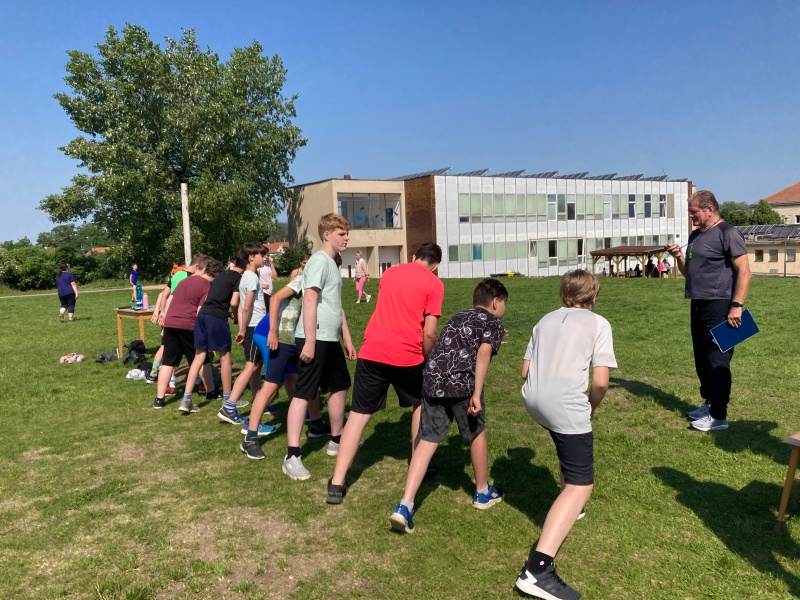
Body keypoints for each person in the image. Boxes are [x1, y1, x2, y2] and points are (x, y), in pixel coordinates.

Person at [514, 269, 616, 600]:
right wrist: (590, 408)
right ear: (594, 295)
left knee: (564, 441)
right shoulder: (599, 324)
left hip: (533, 400)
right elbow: (600, 383)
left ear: (564, 294)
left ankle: (571, 504)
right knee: (580, 485)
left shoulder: (544, 320)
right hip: (564, 404)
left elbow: (524, 370)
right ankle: (537, 571)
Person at [326, 243, 444, 504]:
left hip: (373, 351)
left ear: (413, 256)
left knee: (358, 415)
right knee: (419, 405)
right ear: (435, 265)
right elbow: (430, 332)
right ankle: (420, 464)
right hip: (408, 355)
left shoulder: (390, 273)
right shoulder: (435, 284)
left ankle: (337, 482)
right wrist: (428, 358)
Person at [389, 278, 508, 534]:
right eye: (504, 304)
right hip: (462, 384)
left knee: (428, 439)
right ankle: (482, 492)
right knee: (476, 432)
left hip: (432, 380)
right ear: (496, 302)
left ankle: (405, 505)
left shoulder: (458, 316)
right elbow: (483, 353)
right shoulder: (493, 322)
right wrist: (477, 393)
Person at [667, 190, 751, 432]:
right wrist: (679, 257)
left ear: (709, 210)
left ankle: (718, 416)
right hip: (698, 303)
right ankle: (709, 403)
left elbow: (745, 272)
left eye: (694, 212)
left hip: (721, 304)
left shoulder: (728, 233)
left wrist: (736, 306)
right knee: (702, 359)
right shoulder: (695, 235)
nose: (691, 216)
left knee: (717, 359)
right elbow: (689, 272)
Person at [282, 213, 357, 481]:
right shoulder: (318, 261)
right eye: (341, 234)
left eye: (347, 234)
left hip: (329, 338)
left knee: (340, 385)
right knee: (304, 392)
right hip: (314, 338)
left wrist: (347, 339)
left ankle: (336, 439)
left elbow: (336, 306)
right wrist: (311, 341)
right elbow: (310, 299)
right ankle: (292, 456)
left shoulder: (332, 264)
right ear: (326, 234)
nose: (346, 238)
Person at [240, 252, 312, 459]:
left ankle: (304, 415)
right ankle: (250, 435)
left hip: (289, 337)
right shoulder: (303, 279)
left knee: (292, 377)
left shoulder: (320, 283)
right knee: (272, 384)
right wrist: (273, 332)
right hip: (272, 334)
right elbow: (276, 297)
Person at [177, 248, 246, 414]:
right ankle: (228, 399)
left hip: (202, 315)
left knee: (199, 356)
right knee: (225, 356)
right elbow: (234, 302)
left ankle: (186, 399)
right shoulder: (238, 278)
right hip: (216, 317)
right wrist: (235, 316)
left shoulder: (220, 276)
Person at [152, 257, 224, 409]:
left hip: (171, 323)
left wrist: (165, 317)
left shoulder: (185, 281)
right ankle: (211, 391)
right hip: (189, 325)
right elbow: (200, 310)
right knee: (202, 359)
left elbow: (170, 299)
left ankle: (159, 399)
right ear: (215, 275)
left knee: (168, 362)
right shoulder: (207, 286)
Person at [218, 244, 269, 425]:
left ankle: (257, 402)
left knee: (256, 366)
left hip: (253, 326)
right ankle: (229, 406)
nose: (265, 258)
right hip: (255, 326)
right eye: (261, 255)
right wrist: (243, 329)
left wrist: (242, 327)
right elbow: (246, 307)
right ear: (251, 258)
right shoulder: (251, 278)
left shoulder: (246, 277)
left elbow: (240, 306)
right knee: (250, 366)